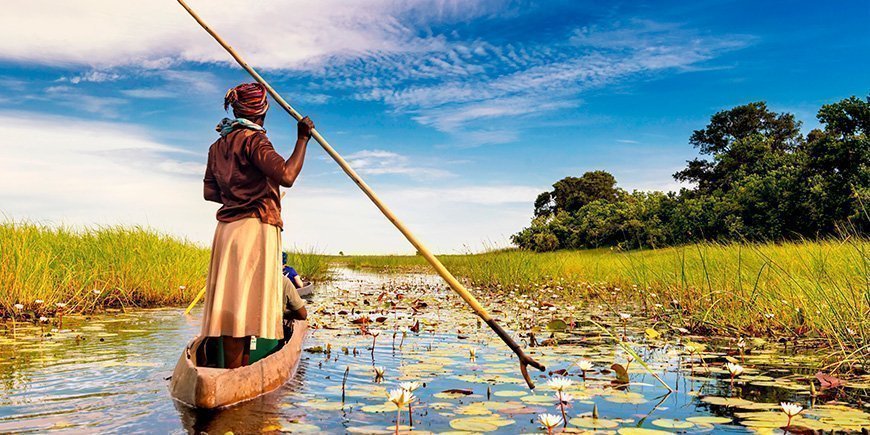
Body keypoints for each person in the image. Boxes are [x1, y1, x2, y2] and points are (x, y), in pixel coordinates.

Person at [201, 82, 313, 369]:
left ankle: (235, 371)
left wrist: (237, 194)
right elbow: (287, 175)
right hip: (254, 227)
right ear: (261, 110)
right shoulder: (254, 140)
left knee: (233, 305)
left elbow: (210, 193)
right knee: (246, 307)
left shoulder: (218, 146)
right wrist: (303, 139)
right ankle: (236, 376)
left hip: (228, 231)